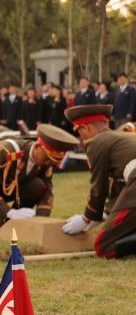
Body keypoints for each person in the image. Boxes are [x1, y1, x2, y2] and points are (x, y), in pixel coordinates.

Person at [61, 104, 136, 258]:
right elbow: (120, 187)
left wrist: (86, 218)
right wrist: (102, 214)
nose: (81, 136)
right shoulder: (120, 137)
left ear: (87, 128)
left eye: (79, 130)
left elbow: (98, 187)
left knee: (102, 245)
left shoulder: (96, 142)